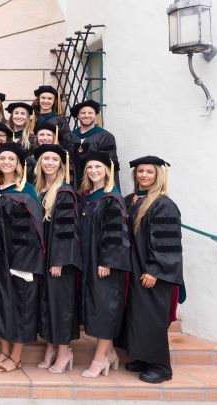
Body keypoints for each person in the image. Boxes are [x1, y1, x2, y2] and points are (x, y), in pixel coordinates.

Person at [117, 156, 183, 384]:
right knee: (137, 315)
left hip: (151, 271)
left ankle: (160, 366)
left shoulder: (163, 204)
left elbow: (167, 242)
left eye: (149, 172)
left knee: (151, 317)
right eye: (140, 171)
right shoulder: (130, 200)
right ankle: (142, 358)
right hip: (134, 268)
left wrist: (155, 269)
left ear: (158, 176)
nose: (143, 175)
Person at [0, 142, 44, 373]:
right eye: (2, 158)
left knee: (20, 303)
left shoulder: (26, 190)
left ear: (19, 164)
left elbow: (32, 230)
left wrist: (23, 263)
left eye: (11, 159)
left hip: (20, 258)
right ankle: (4, 349)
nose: (6, 162)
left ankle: (16, 356)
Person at [78, 151, 131, 378]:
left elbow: (116, 233)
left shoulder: (112, 198)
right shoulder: (88, 196)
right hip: (90, 261)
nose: (93, 171)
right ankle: (109, 353)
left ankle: (99, 360)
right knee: (96, 307)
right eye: (89, 167)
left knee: (104, 310)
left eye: (98, 167)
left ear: (107, 170)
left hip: (104, 264)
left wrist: (107, 261)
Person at [33, 144, 82, 374]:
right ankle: (51, 347)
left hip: (59, 261)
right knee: (48, 303)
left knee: (61, 305)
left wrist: (59, 261)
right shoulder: (40, 188)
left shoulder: (64, 192)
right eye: (46, 159)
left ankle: (64, 352)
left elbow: (67, 230)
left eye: (54, 159)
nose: (49, 162)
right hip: (44, 258)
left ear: (61, 164)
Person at [68, 100, 119, 188]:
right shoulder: (70, 136)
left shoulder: (105, 136)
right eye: (83, 113)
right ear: (78, 116)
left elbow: (111, 165)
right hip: (74, 184)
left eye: (90, 113)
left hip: (97, 184)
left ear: (95, 114)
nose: (87, 115)